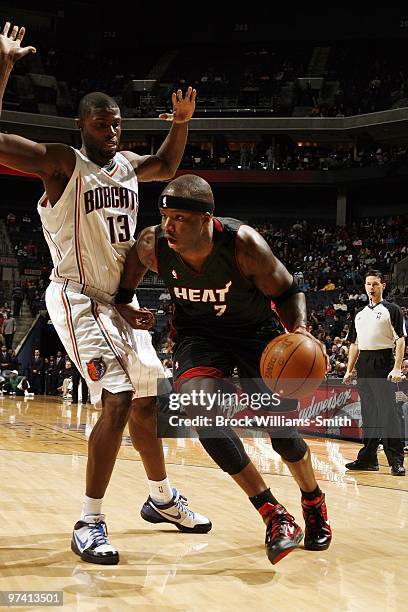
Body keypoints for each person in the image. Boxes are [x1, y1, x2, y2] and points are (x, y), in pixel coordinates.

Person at [0, 21, 210, 566]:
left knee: (147, 400)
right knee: (115, 397)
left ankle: (160, 499)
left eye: (116, 123)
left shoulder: (127, 166)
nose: (112, 130)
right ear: (82, 125)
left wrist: (180, 124)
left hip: (117, 300)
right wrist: (3, 68)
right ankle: (89, 520)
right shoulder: (61, 163)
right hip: (73, 296)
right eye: (102, 122)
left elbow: (166, 164)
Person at [116, 174, 332, 565]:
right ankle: (273, 513)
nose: (169, 226)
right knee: (199, 409)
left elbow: (287, 291)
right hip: (199, 336)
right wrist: (128, 305)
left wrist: (298, 331)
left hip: (256, 336)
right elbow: (126, 285)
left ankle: (313, 499)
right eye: (165, 216)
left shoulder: (243, 244)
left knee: (282, 436)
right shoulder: (152, 245)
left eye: (180, 218)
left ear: (206, 220)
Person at [343, 270, 406, 476]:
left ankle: (395, 460)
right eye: (369, 284)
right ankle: (368, 459)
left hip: (383, 362)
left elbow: (400, 340)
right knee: (369, 414)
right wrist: (349, 369)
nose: (371, 287)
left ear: (383, 286)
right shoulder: (359, 314)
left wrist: (396, 367)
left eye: (376, 284)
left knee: (388, 413)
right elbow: (355, 344)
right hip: (364, 365)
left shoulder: (392, 310)